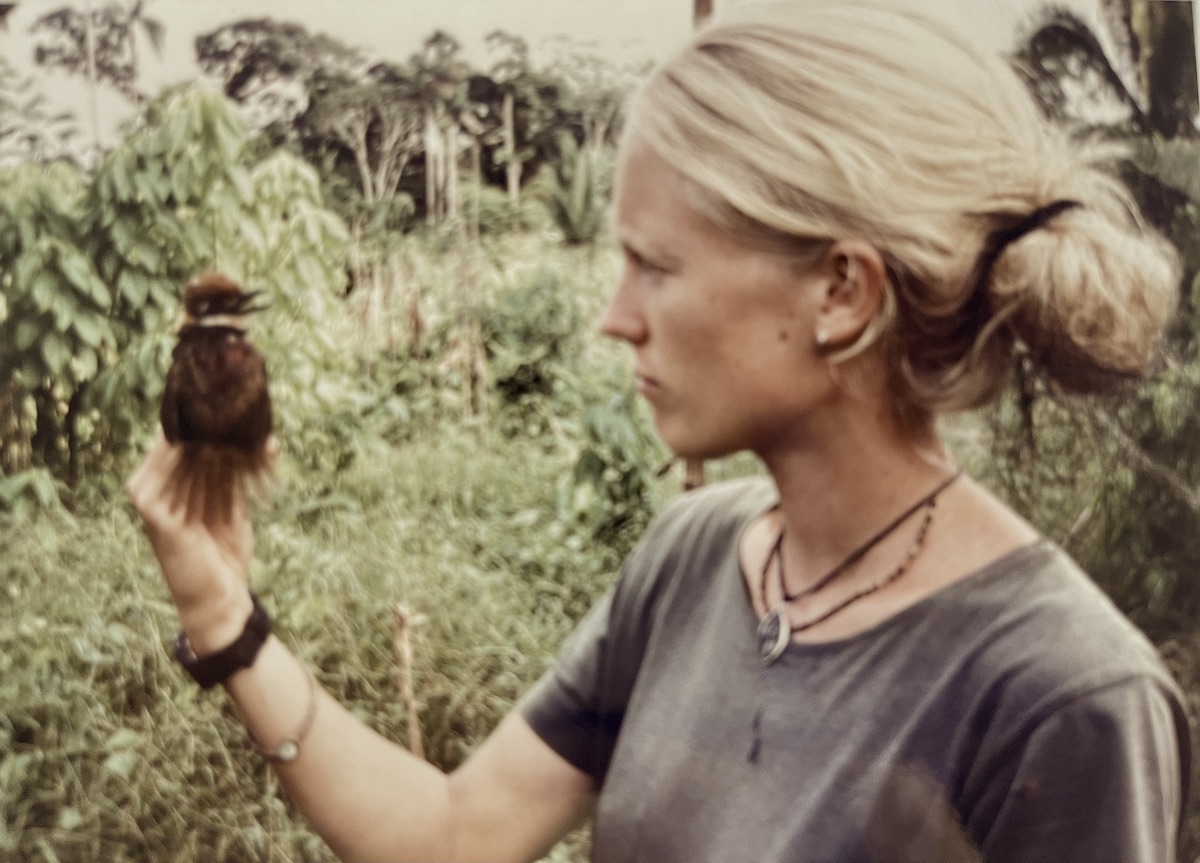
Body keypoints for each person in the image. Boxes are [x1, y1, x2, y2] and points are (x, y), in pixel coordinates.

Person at [127, 3, 1190, 861]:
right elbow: (453, 834)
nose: (614, 314)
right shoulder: (695, 558)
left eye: (657, 264)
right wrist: (224, 614)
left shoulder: (1063, 697)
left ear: (841, 293)